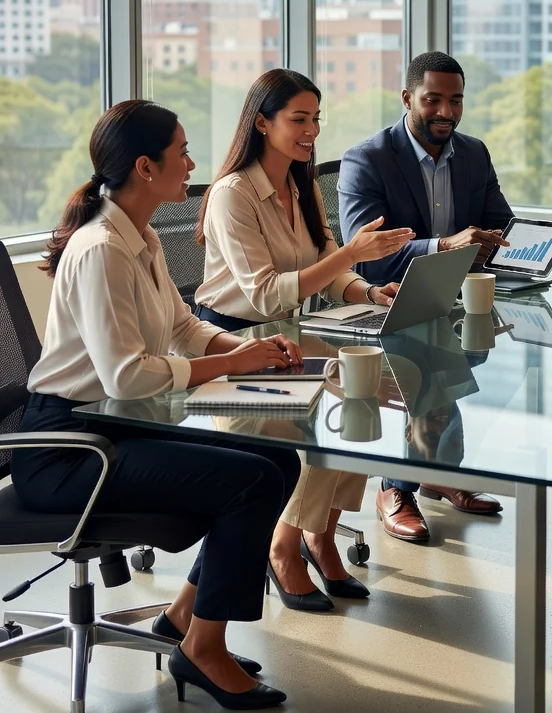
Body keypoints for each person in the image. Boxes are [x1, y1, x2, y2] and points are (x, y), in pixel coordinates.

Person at [12, 100, 304, 710]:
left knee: (278, 460)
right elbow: (126, 375)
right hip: (68, 450)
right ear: (146, 167)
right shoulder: (101, 248)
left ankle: (182, 620)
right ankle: (204, 650)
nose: (192, 164)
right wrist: (233, 364)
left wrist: (250, 350)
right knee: (250, 481)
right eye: (182, 153)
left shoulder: (140, 237)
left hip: (113, 426)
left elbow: (184, 328)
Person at [195, 69, 414, 611]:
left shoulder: (301, 184)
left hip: (286, 341)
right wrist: (351, 256)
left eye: (316, 118)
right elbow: (266, 293)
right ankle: (283, 546)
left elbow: (328, 264)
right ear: (261, 123)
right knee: (323, 422)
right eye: (299, 119)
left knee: (365, 399)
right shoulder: (232, 194)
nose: (312, 130)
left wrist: (368, 289)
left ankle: (320, 534)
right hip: (233, 347)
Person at [338, 51, 513, 542]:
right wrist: (444, 246)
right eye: (433, 100)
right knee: (426, 354)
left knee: (476, 342)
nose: (446, 112)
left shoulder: (473, 152)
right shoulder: (367, 159)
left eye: (455, 101)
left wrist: (524, 248)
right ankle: (395, 488)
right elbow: (367, 256)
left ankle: (440, 473)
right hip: (385, 300)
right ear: (407, 98)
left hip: (454, 297)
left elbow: (500, 223)